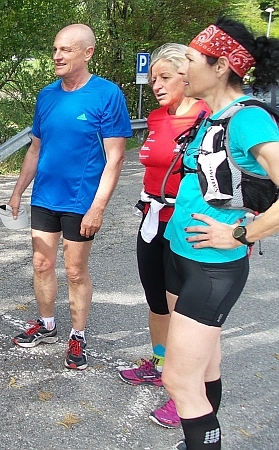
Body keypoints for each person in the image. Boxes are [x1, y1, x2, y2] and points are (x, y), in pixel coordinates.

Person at [160, 19, 279, 450]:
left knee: (178, 379)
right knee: (205, 370)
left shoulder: (248, 119)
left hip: (212, 270)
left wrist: (243, 235)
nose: (183, 68)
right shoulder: (216, 114)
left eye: (190, 60)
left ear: (222, 65)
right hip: (182, 257)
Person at [7, 24, 131, 370]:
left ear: (88, 53)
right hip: (45, 197)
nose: (57, 56)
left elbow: (116, 157)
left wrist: (98, 207)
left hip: (81, 202)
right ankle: (47, 325)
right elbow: (35, 149)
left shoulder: (107, 95)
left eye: (66, 50)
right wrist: (18, 191)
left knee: (75, 271)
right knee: (41, 263)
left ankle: (78, 335)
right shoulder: (47, 95)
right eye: (55, 49)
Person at [118, 43, 211, 429]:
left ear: (187, 76)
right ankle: (160, 362)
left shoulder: (208, 118)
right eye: (153, 78)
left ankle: (186, 392)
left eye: (165, 77)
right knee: (156, 300)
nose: (156, 84)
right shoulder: (156, 118)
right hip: (152, 218)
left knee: (187, 314)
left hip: (186, 224)